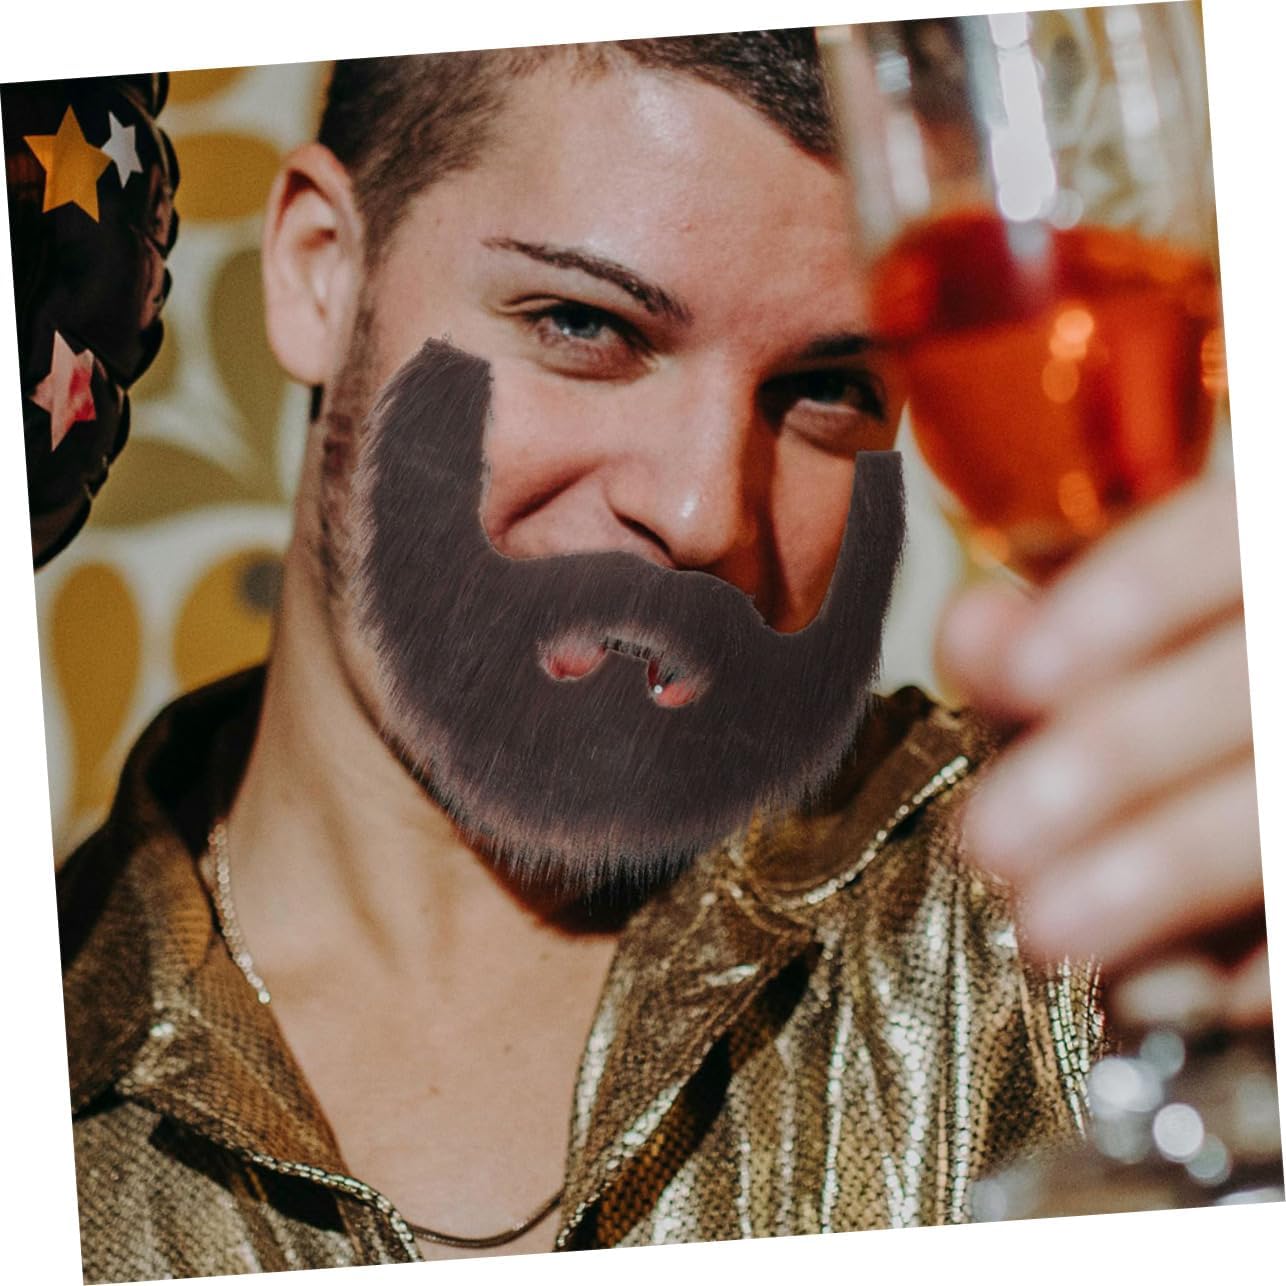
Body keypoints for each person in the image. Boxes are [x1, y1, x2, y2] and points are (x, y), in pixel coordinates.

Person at [57, 32, 1266, 1281]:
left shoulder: (1077, 909)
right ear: (321, 272)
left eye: (828, 386)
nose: (703, 513)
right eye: (583, 323)